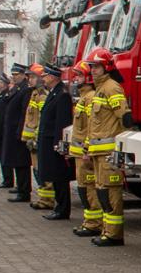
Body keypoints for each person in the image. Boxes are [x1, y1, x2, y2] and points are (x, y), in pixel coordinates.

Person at [80, 49, 131, 247]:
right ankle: (107, 231)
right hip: (98, 152)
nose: (93, 70)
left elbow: (124, 118)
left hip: (108, 153)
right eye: (91, 67)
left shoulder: (111, 88)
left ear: (107, 67)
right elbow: (95, 124)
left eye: (97, 67)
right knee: (102, 192)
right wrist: (87, 147)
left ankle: (114, 234)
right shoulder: (100, 89)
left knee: (110, 193)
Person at [34, 64, 75, 221]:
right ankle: (59, 208)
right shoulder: (54, 93)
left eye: (45, 76)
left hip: (55, 143)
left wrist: (60, 144)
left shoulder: (62, 95)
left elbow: (62, 123)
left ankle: (63, 209)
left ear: (52, 77)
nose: (43, 79)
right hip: (48, 141)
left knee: (60, 177)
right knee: (54, 176)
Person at [70, 65, 100, 236]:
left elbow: (91, 126)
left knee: (89, 188)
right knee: (84, 188)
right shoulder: (84, 97)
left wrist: (87, 149)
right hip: (79, 153)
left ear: (88, 78)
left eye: (80, 76)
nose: (76, 79)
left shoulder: (90, 97)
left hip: (84, 154)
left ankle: (94, 223)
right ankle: (89, 222)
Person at [0, 63, 34, 203]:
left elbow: (24, 113)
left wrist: (21, 132)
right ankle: (20, 188)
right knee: (16, 161)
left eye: (16, 75)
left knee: (21, 163)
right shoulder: (17, 88)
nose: (13, 77)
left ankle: (24, 191)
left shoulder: (25, 90)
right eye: (12, 75)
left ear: (23, 75)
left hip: (19, 132)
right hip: (13, 131)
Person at [21, 64, 51, 209]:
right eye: (29, 77)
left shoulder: (42, 95)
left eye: (32, 77)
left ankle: (48, 200)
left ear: (40, 78)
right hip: (32, 141)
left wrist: (36, 139)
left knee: (42, 171)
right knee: (37, 171)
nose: (29, 80)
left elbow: (42, 119)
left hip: (37, 141)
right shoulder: (34, 94)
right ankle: (43, 198)